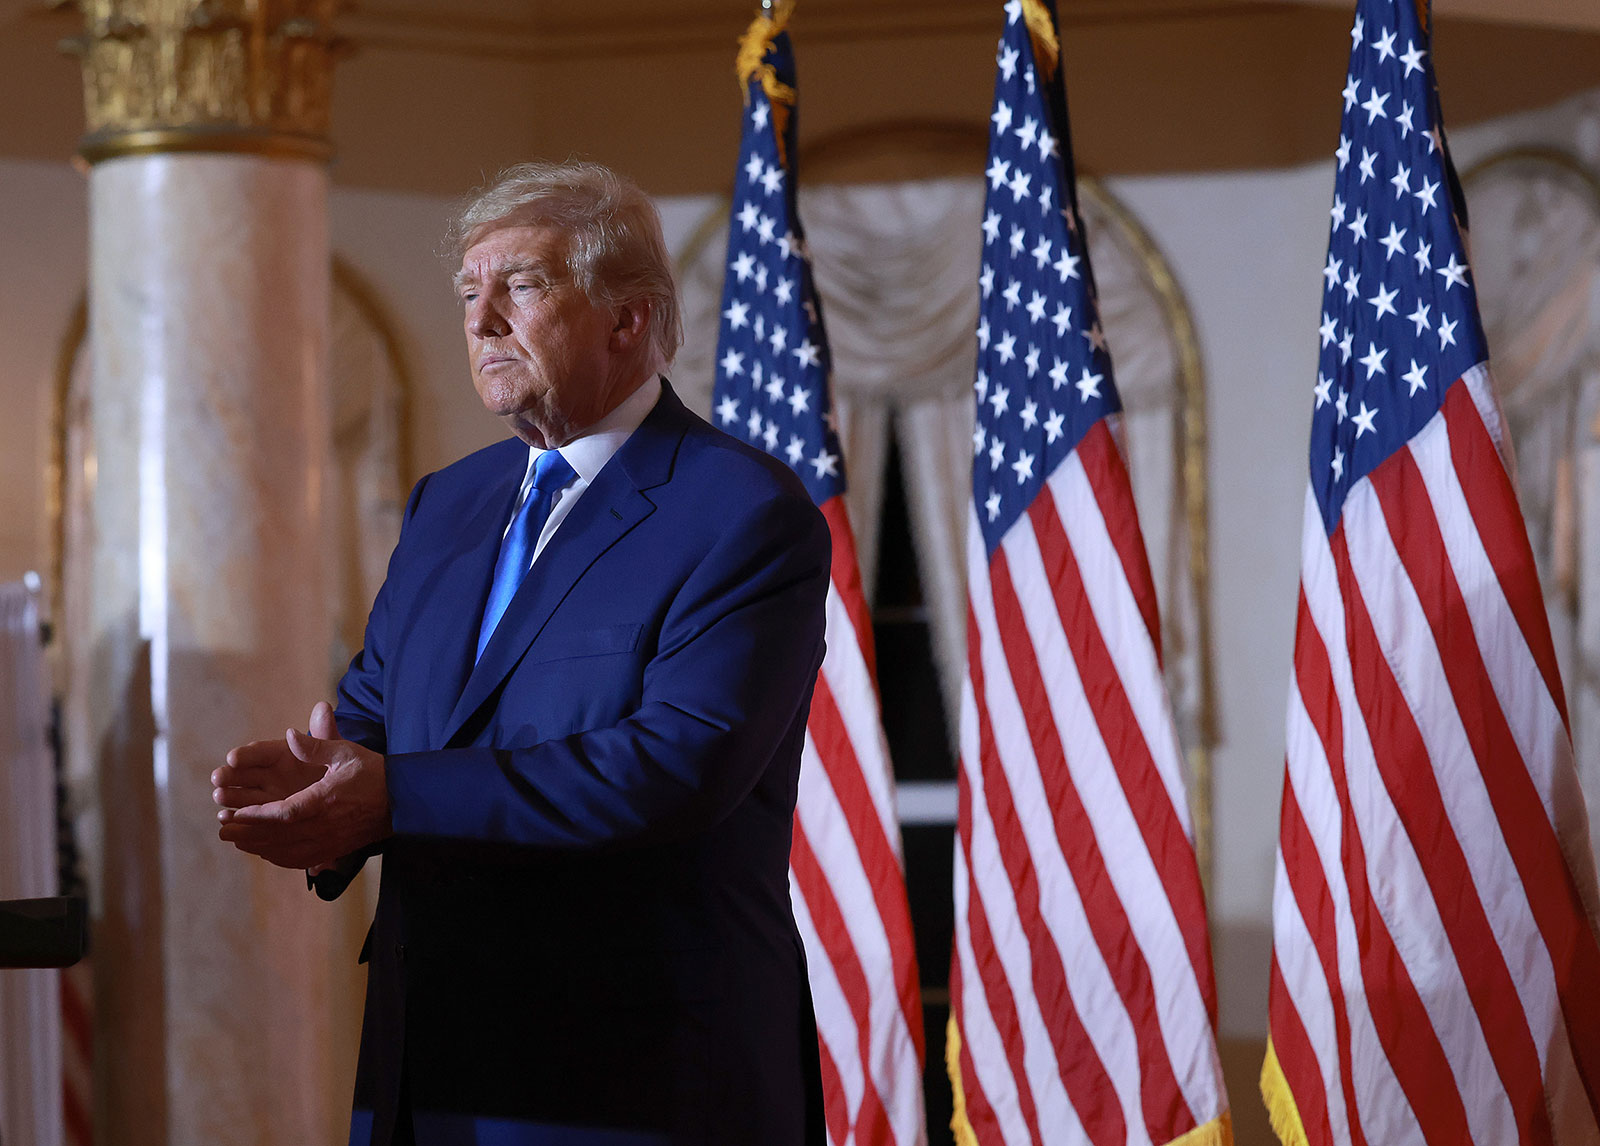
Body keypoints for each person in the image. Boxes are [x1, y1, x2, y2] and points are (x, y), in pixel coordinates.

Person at [211, 160, 831, 1146]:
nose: (481, 319)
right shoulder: (447, 502)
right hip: (431, 1068)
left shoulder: (742, 511)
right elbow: (378, 705)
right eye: (468, 292)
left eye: (523, 286)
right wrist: (324, 795)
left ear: (628, 319)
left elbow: (676, 766)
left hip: (636, 1081)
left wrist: (394, 794)